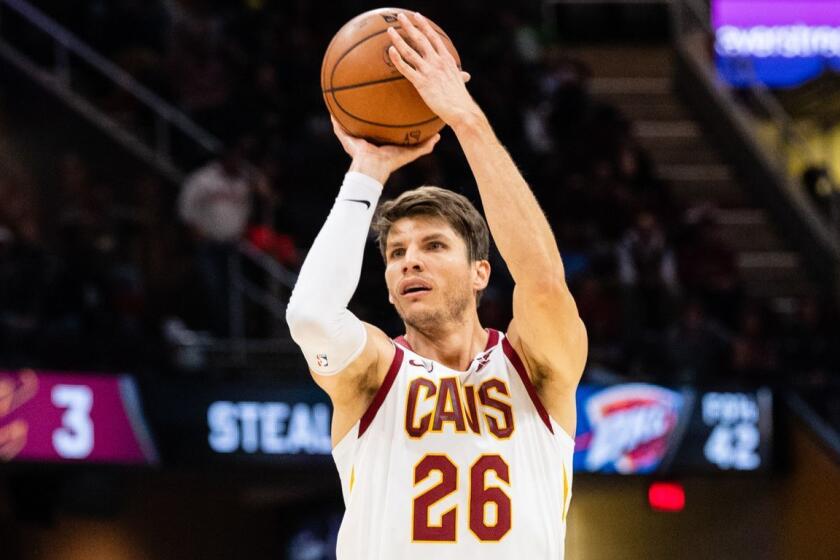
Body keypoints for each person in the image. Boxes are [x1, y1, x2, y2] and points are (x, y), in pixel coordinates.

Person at [286, 12, 587, 559]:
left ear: (481, 272)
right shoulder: (374, 374)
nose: (409, 263)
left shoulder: (534, 367)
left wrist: (466, 120)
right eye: (396, 252)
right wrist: (368, 172)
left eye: (433, 246)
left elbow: (543, 283)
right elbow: (310, 316)